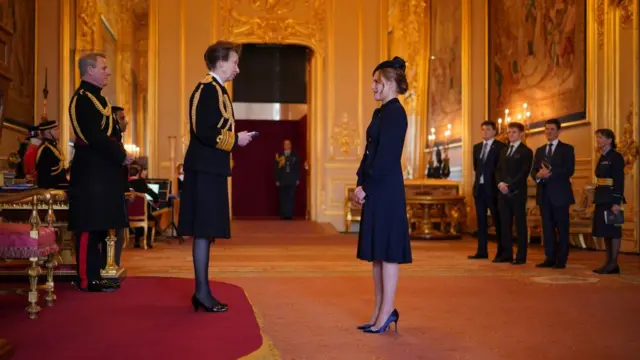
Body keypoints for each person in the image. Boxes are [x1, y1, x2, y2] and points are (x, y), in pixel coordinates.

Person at [178, 41, 254, 312]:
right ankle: (201, 292)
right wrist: (236, 140)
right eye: (234, 62)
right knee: (203, 230)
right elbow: (204, 130)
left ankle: (202, 291)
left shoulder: (217, 91)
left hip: (211, 169)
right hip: (204, 170)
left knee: (206, 231)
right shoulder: (206, 89)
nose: (238, 68)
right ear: (221, 63)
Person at [354, 56, 411, 334]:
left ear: (389, 83)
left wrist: (369, 186)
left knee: (387, 252)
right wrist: (359, 181)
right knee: (377, 253)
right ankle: (378, 310)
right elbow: (370, 151)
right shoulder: (380, 113)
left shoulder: (396, 113)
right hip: (377, 187)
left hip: (386, 189)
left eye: (376, 82)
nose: (372, 87)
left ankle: (387, 311)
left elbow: (387, 157)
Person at [68, 52, 133, 292]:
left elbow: (112, 134)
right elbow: (93, 136)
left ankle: (96, 274)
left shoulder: (100, 100)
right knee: (88, 225)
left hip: (104, 172)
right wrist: (119, 154)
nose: (108, 71)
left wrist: (120, 153)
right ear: (90, 70)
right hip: (90, 171)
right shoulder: (82, 99)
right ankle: (87, 279)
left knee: (100, 224)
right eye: (104, 67)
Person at [531, 119, 575, 269]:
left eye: (551, 129)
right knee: (547, 228)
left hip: (561, 195)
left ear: (558, 131)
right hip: (544, 195)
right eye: (546, 129)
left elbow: (569, 170)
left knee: (562, 228)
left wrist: (550, 173)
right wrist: (538, 175)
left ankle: (561, 259)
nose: (548, 132)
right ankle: (549, 257)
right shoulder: (540, 150)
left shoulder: (567, 149)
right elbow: (533, 171)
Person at [494, 122, 533, 265]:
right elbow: (497, 170)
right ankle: (507, 254)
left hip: (517, 192)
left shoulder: (526, 151)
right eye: (509, 132)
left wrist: (510, 186)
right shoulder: (503, 151)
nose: (511, 135)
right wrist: (500, 184)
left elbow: (524, 172)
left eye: (514, 132)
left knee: (520, 225)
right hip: (502, 193)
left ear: (521, 134)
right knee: (505, 225)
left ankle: (521, 256)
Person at [469, 120, 505, 260]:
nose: (485, 132)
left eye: (488, 129)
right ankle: (482, 251)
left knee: (497, 221)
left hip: (494, 189)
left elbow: (500, 168)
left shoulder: (501, 147)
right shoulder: (477, 147)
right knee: (481, 222)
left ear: (494, 131)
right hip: (480, 188)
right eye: (483, 129)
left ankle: (501, 251)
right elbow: (476, 167)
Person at [592, 129, 625, 275]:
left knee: (614, 230)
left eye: (600, 137)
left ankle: (614, 263)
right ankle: (608, 262)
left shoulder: (616, 156)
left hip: (611, 198)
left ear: (609, 140)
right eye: (597, 137)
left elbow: (619, 180)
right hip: (601, 197)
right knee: (606, 231)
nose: (597, 140)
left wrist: (617, 201)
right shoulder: (601, 156)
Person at [35, 120, 68, 189]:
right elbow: (44, 178)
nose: (59, 132)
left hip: (59, 188)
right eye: (56, 130)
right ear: (47, 133)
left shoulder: (54, 148)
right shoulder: (45, 150)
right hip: (52, 191)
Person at [274, 139, 301, 219]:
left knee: (290, 198)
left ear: (290, 145)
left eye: (288, 144)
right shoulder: (279, 155)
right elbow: (276, 168)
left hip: (292, 179)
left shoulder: (295, 155)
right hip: (282, 180)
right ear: (283, 146)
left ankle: (289, 215)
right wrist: (277, 179)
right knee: (283, 198)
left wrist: (297, 179)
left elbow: (297, 168)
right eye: (285, 144)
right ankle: (283, 215)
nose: (287, 145)